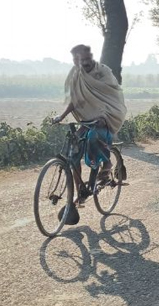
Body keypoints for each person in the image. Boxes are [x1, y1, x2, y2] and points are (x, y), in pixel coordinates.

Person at [53, 44, 127, 205]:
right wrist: (61, 116)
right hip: (88, 119)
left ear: (89, 57)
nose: (80, 62)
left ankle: (107, 163)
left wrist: (103, 115)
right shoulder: (77, 75)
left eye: (82, 58)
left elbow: (111, 96)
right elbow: (75, 100)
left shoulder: (103, 72)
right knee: (74, 151)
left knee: (94, 136)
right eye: (76, 59)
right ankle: (80, 190)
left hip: (107, 116)